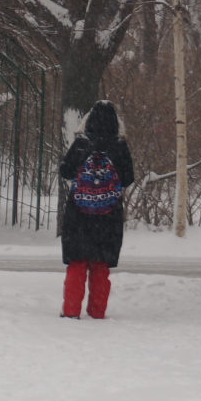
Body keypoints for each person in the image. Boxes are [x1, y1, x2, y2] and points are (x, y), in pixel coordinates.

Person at [58, 100, 135, 319]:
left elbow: (66, 171)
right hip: (109, 215)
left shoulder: (82, 142)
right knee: (101, 265)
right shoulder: (119, 145)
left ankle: (71, 310)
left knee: (77, 263)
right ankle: (97, 312)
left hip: (79, 213)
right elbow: (128, 178)